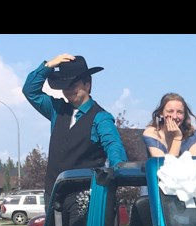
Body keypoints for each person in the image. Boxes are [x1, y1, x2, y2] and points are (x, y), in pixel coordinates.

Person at [23, 53, 127, 203]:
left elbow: (113, 147)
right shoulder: (57, 110)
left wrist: (117, 170)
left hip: (84, 196)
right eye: (65, 86)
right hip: (53, 194)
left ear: (87, 85)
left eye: (73, 85)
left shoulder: (101, 118)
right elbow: (30, 91)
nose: (68, 90)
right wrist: (48, 66)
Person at [143, 93, 196, 158]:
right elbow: (167, 166)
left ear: (184, 115)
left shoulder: (190, 133)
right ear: (161, 113)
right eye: (170, 111)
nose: (175, 116)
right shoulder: (152, 133)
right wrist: (177, 138)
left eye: (179, 112)